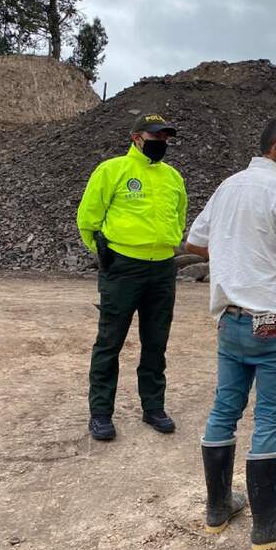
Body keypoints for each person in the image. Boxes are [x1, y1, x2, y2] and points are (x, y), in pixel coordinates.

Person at [185, 118, 276, 550]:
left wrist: (235, 255)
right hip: (275, 323)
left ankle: (218, 507)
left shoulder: (228, 187)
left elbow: (195, 241)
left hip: (232, 321)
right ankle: (268, 523)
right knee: (269, 419)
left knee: (224, 408)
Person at [76, 113, 187, 441]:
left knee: (156, 342)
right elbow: (88, 219)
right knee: (110, 342)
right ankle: (100, 413)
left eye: (166, 137)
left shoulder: (173, 177)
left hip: (163, 269)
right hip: (123, 268)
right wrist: (106, 254)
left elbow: (180, 215)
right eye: (156, 137)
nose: (161, 143)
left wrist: (169, 241)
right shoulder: (112, 170)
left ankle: (153, 407)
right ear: (137, 137)